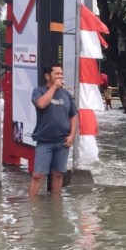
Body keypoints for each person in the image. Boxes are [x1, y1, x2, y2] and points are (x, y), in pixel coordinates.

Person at [28, 65, 78, 197]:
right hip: (44, 141)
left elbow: (73, 115)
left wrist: (72, 135)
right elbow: (41, 104)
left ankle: (56, 205)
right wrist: (54, 87)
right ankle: (32, 205)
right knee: (38, 175)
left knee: (58, 174)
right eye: (57, 74)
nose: (60, 76)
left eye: (61, 74)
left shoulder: (66, 95)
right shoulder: (38, 91)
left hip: (63, 141)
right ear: (47, 76)